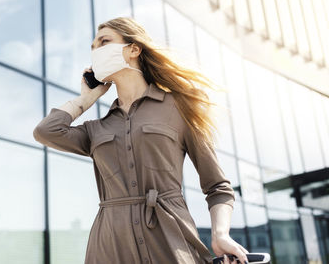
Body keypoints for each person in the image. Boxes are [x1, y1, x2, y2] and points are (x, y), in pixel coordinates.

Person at [33, 16, 249, 264]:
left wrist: (220, 234)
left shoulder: (179, 107)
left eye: (104, 42)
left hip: (170, 240)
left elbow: (217, 186)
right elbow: (45, 131)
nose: (96, 52)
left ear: (133, 49)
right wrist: (85, 100)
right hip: (109, 246)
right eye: (93, 48)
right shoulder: (97, 128)